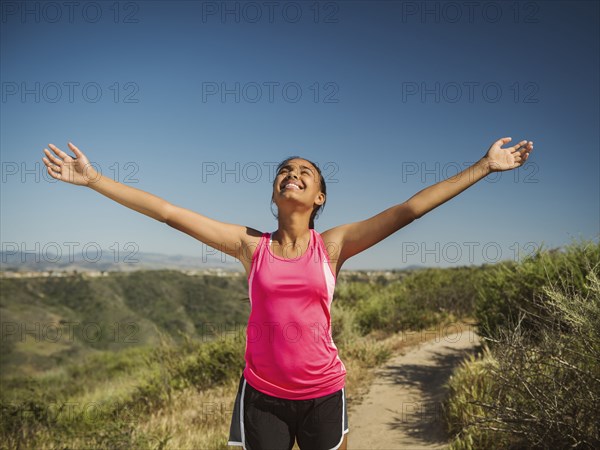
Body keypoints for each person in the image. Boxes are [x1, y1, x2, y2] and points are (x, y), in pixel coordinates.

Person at [42, 137, 533, 450]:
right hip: (262, 396)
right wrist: (95, 180)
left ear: (318, 197)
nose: (292, 173)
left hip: (324, 393)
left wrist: (484, 167)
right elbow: (169, 212)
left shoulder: (334, 245)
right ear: (275, 194)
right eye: (284, 170)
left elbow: (411, 209)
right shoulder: (249, 245)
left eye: (305, 171)